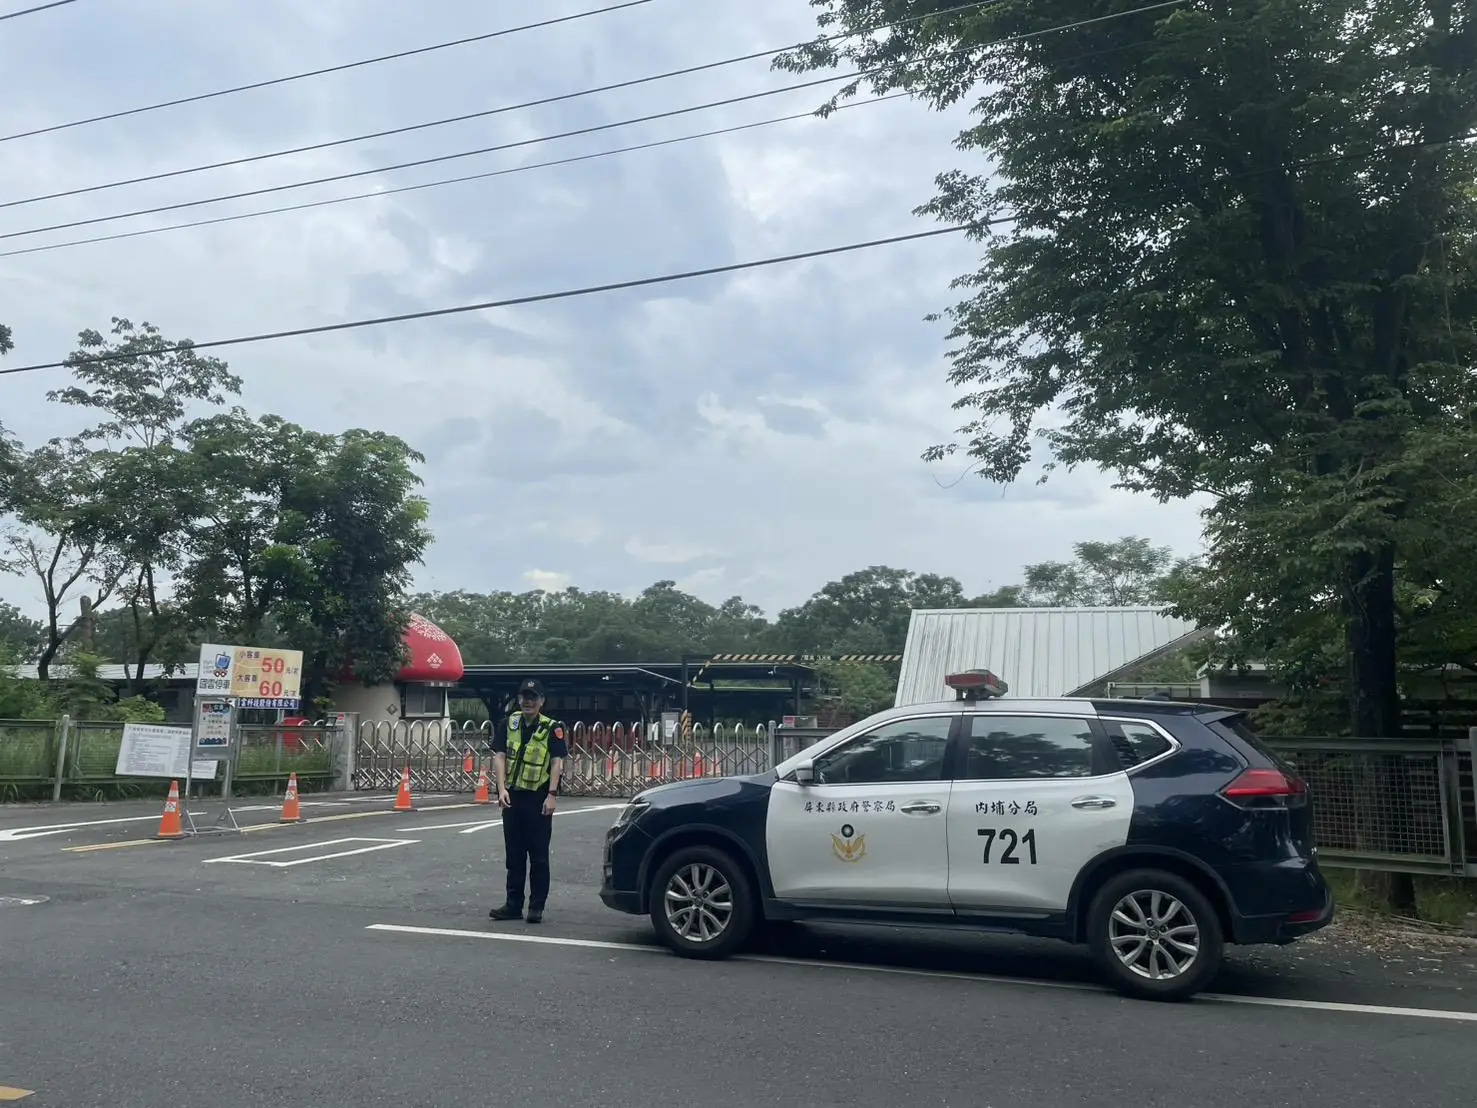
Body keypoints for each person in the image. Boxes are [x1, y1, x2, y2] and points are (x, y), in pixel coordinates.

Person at [487, 678, 567, 923]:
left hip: (538, 798)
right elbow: (500, 756)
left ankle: (536, 907)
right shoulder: (508, 723)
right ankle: (513, 905)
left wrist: (552, 795)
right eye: (524, 697)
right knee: (514, 855)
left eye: (533, 697)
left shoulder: (552, 728)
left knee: (539, 855)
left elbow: (557, 762)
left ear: (542, 701)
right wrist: (501, 789)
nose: (527, 701)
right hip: (513, 796)